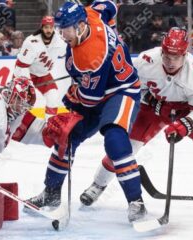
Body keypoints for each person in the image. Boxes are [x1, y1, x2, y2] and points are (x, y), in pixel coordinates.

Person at [80, 27, 193, 209]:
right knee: (125, 146)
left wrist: (185, 125)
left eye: (176, 57)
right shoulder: (146, 61)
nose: (170, 62)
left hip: (187, 110)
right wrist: (148, 99)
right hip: (153, 107)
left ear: (185, 55)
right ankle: (98, 185)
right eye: (167, 55)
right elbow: (129, 86)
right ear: (162, 51)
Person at [25, 1, 146, 223]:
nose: (62, 35)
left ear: (80, 26)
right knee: (66, 137)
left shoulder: (88, 56)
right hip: (97, 89)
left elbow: (90, 100)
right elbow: (109, 5)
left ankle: (136, 201)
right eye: (60, 28)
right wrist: (110, 24)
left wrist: (73, 96)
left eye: (66, 29)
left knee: (115, 139)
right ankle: (51, 193)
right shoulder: (92, 13)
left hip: (121, 91)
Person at [13, 15, 66, 120]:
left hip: (43, 74)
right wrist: (27, 83)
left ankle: (49, 124)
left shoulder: (59, 41)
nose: (48, 30)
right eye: (46, 27)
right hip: (26, 73)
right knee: (22, 102)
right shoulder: (31, 42)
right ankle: (15, 121)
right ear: (41, 28)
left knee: (53, 97)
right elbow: (21, 65)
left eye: (50, 27)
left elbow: (67, 53)